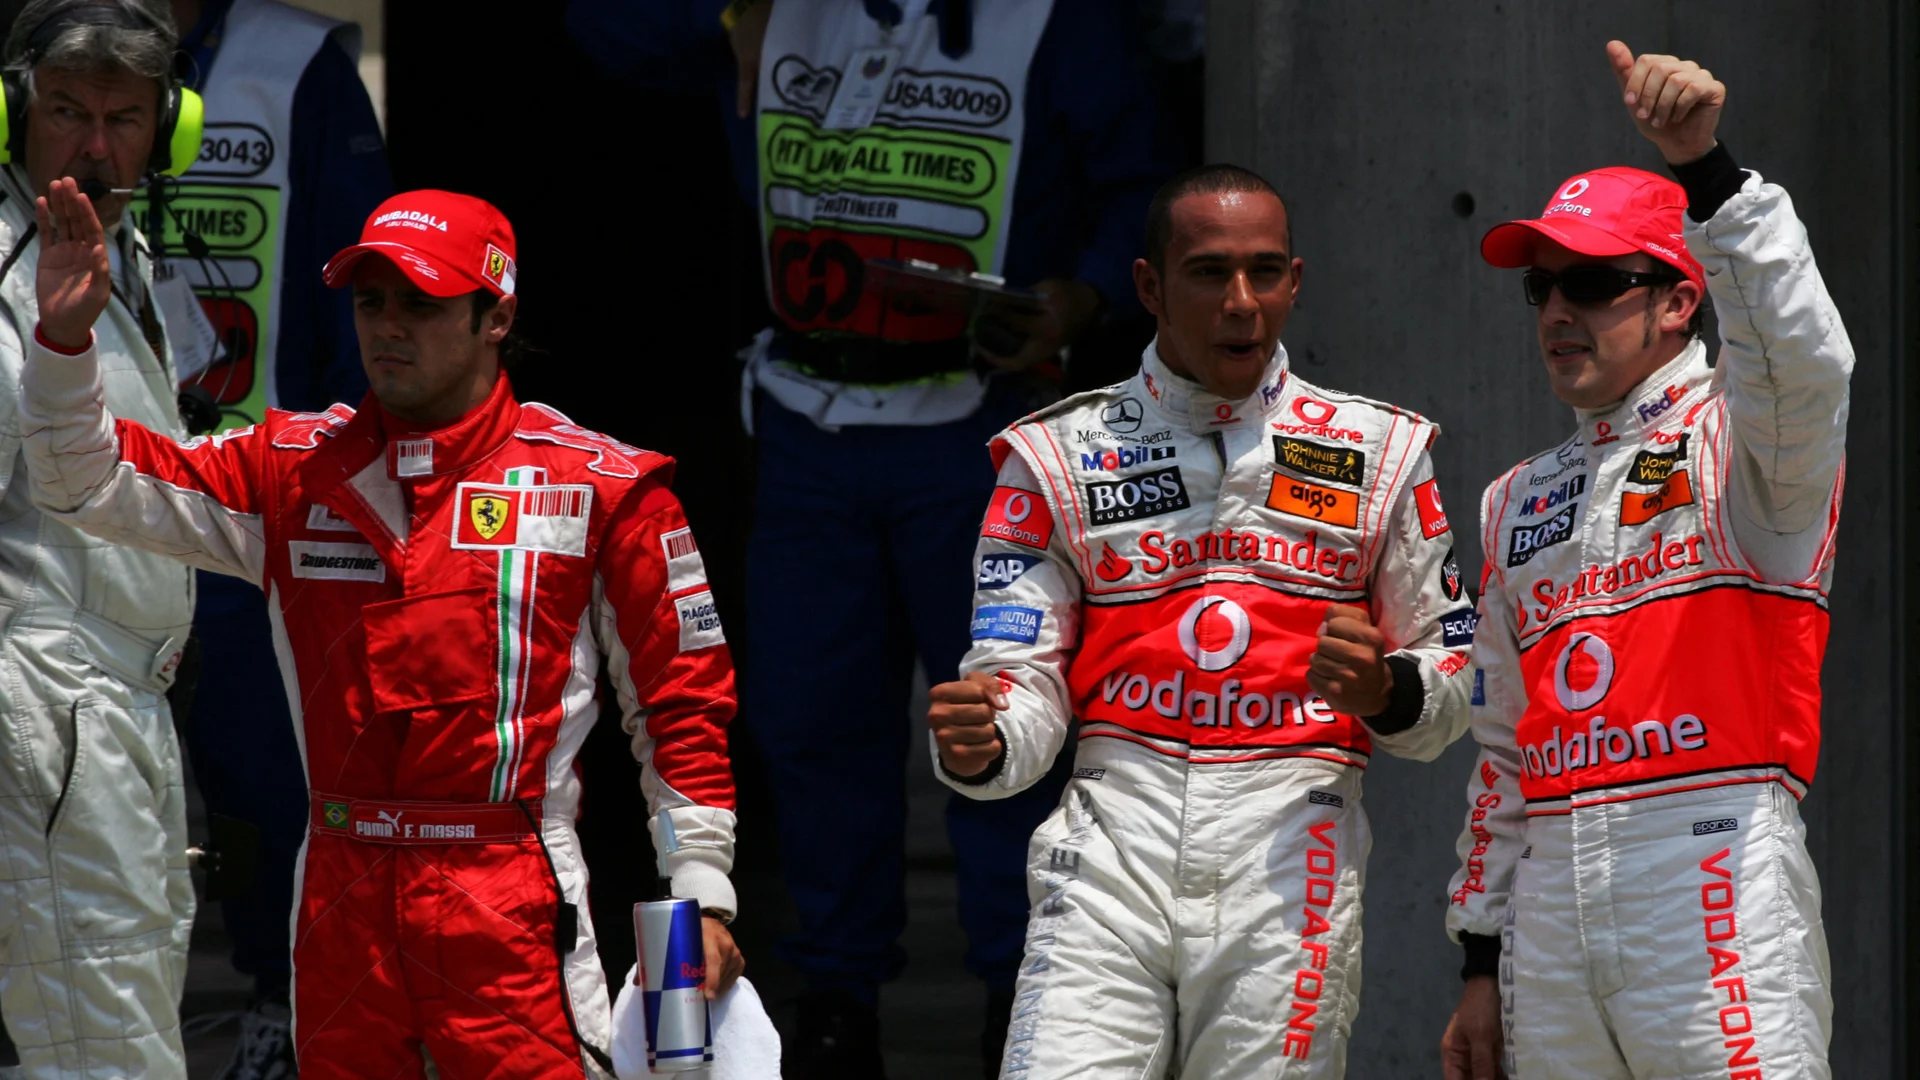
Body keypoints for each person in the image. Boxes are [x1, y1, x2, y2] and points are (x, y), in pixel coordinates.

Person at [567, 1, 1175, 1074]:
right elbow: (612, 32)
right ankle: (838, 1003)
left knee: (996, 725)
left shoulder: (1050, 21)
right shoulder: (766, 8)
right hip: (808, 419)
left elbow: (1147, 184)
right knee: (810, 728)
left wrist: (1078, 298)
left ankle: (1016, 1003)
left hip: (980, 424)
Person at [19, 185, 747, 1078]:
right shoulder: (291, 467)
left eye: (421, 303)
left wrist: (703, 897)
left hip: (509, 893)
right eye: (370, 302)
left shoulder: (604, 489)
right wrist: (63, 341)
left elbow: (683, 706)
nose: (387, 327)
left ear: (496, 316)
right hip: (340, 893)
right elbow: (79, 480)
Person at [927, 164, 1476, 1079]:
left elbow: (1454, 668)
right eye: (1209, 272)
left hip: (1291, 834)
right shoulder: (1054, 453)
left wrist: (1387, 689)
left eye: (1265, 273)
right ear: (1149, 286)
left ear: (1296, 282)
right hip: (1112, 835)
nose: (1241, 302)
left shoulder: (1380, 451)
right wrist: (983, 746)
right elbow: (1020, 680)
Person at [1439, 42, 1851, 1080]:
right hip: (1551, 910)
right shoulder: (1514, 497)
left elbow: (1805, 362)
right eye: (1541, 289)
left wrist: (1709, 174)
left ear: (1677, 301)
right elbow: (1502, 746)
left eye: (1593, 283)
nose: (1558, 312)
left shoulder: (1750, 445)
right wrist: (1480, 960)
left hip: (1710, 873)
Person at [147, 2, 392, 1074]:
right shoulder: (44, 48)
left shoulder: (297, 62)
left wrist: (357, 482)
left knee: (265, 779)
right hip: (90, 490)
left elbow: (363, 284)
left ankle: (281, 998)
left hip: (249, 502)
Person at [0, 2, 199, 1075]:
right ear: (14, 110)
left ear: (167, 132)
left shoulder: (118, 256)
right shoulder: (7, 273)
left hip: (118, 706)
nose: (92, 144)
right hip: (46, 707)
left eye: (124, 118)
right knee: (103, 1046)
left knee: (121, 1003)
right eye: (66, 110)